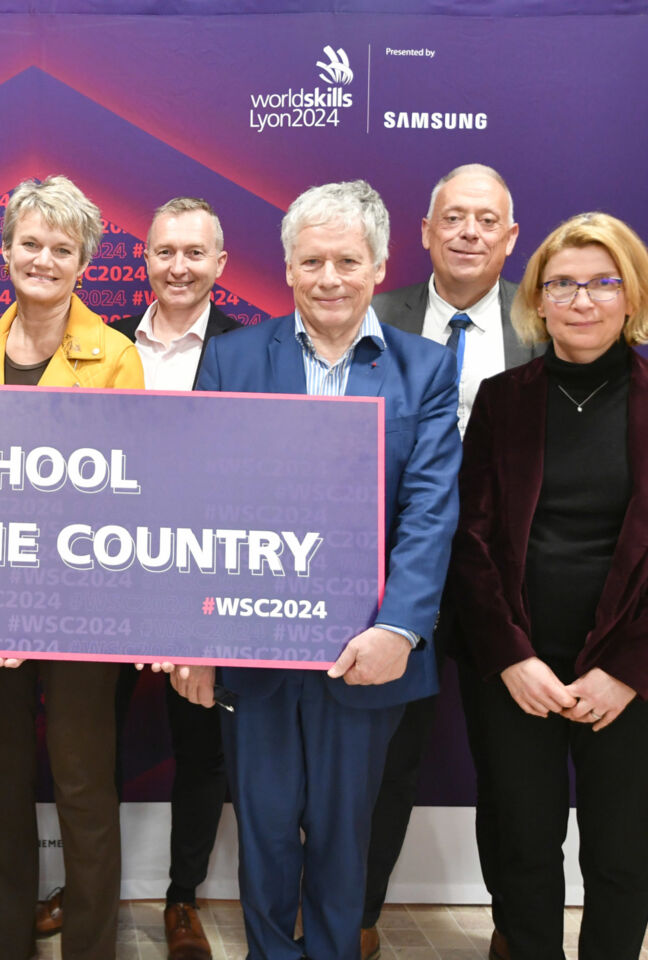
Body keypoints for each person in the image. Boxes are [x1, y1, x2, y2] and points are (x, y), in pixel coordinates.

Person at [182, 180, 460, 960]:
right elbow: (201, 506)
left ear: (378, 267)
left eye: (347, 260)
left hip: (368, 653)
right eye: (312, 261)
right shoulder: (234, 359)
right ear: (288, 269)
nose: (329, 277)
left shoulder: (425, 370)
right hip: (254, 649)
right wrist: (196, 638)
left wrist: (399, 628)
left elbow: (430, 513)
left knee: (345, 837)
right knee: (266, 830)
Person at [451, 212, 648, 960]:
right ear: (537, 299)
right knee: (524, 849)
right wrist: (511, 657)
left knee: (623, 854)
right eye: (563, 284)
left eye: (603, 282)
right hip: (519, 667)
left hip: (628, 676)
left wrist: (627, 672)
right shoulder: (504, 400)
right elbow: (469, 543)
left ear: (630, 296)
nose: (582, 300)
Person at [0, 174, 143, 960]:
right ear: (5, 250)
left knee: (82, 788)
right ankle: (4, 941)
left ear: (84, 264)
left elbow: (122, 496)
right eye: (29, 243)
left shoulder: (119, 356)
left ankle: (91, 949)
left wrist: (47, 602)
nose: (42, 259)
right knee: (2, 786)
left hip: (80, 606)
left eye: (60, 248)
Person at [364, 163, 541, 960]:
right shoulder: (373, 315)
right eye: (454, 218)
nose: (469, 231)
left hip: (512, 585)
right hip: (400, 575)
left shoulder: (546, 321)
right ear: (426, 231)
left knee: (513, 771)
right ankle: (357, 918)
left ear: (511, 239)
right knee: (381, 761)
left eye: (486, 220)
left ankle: (518, 928)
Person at [111, 197, 240, 960]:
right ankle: (89, 882)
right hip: (109, 578)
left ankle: (182, 898)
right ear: (146, 261)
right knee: (90, 741)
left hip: (201, 581)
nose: (180, 267)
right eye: (165, 252)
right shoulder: (100, 342)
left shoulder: (249, 350)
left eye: (196, 253)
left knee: (202, 747)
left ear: (221, 265)